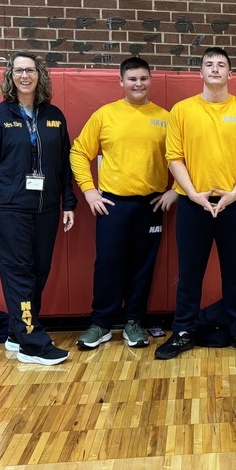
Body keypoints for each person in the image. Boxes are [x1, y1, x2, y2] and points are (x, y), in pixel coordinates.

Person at [155, 47, 236, 360]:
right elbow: (174, 158)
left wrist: (233, 193)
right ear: (200, 73)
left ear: (230, 74)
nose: (215, 69)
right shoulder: (182, 111)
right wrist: (192, 194)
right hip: (194, 204)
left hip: (235, 204)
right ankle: (183, 332)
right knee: (189, 273)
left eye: (221, 65)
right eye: (209, 65)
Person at [0, 52, 76, 366]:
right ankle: (33, 343)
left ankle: (17, 334)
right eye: (18, 71)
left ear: (39, 75)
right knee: (20, 276)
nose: (24, 76)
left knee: (39, 273)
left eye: (30, 70)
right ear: (10, 76)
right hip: (9, 210)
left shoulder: (54, 116)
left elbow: (63, 164)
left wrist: (68, 203)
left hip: (45, 210)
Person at [70, 56, 177, 351]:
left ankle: (133, 322)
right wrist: (90, 191)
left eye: (143, 78)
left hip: (151, 205)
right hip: (112, 204)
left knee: (142, 266)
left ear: (150, 81)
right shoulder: (105, 115)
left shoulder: (166, 118)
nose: (138, 84)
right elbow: (78, 153)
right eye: (132, 79)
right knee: (108, 264)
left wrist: (176, 190)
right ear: (121, 82)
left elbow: (185, 159)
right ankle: (101, 324)